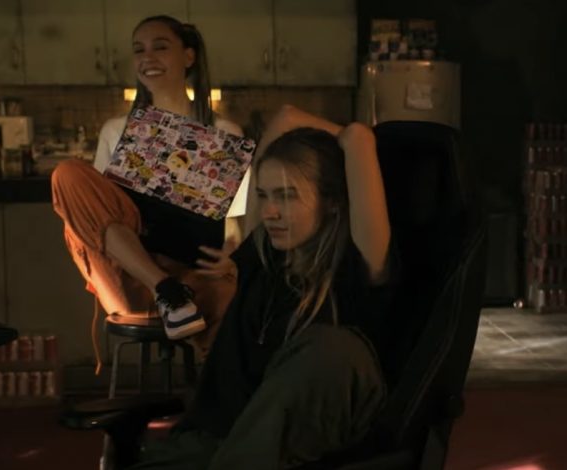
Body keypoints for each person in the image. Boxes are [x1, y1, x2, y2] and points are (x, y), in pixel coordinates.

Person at [129, 105, 396, 469]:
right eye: (264, 195)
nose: (269, 211)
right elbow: (285, 117)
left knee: (333, 349)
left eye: (286, 195)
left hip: (283, 439)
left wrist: (350, 143)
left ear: (332, 202)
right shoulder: (263, 254)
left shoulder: (355, 266)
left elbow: (359, 139)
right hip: (212, 439)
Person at [50, 15, 244, 356]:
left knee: (230, 297)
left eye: (160, 47)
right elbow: (98, 217)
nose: (147, 57)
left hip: (192, 273)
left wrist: (231, 254)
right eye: (139, 50)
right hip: (130, 276)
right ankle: (165, 291)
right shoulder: (116, 130)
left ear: (188, 56)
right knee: (66, 173)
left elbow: (234, 224)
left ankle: (212, 385)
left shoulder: (223, 132)